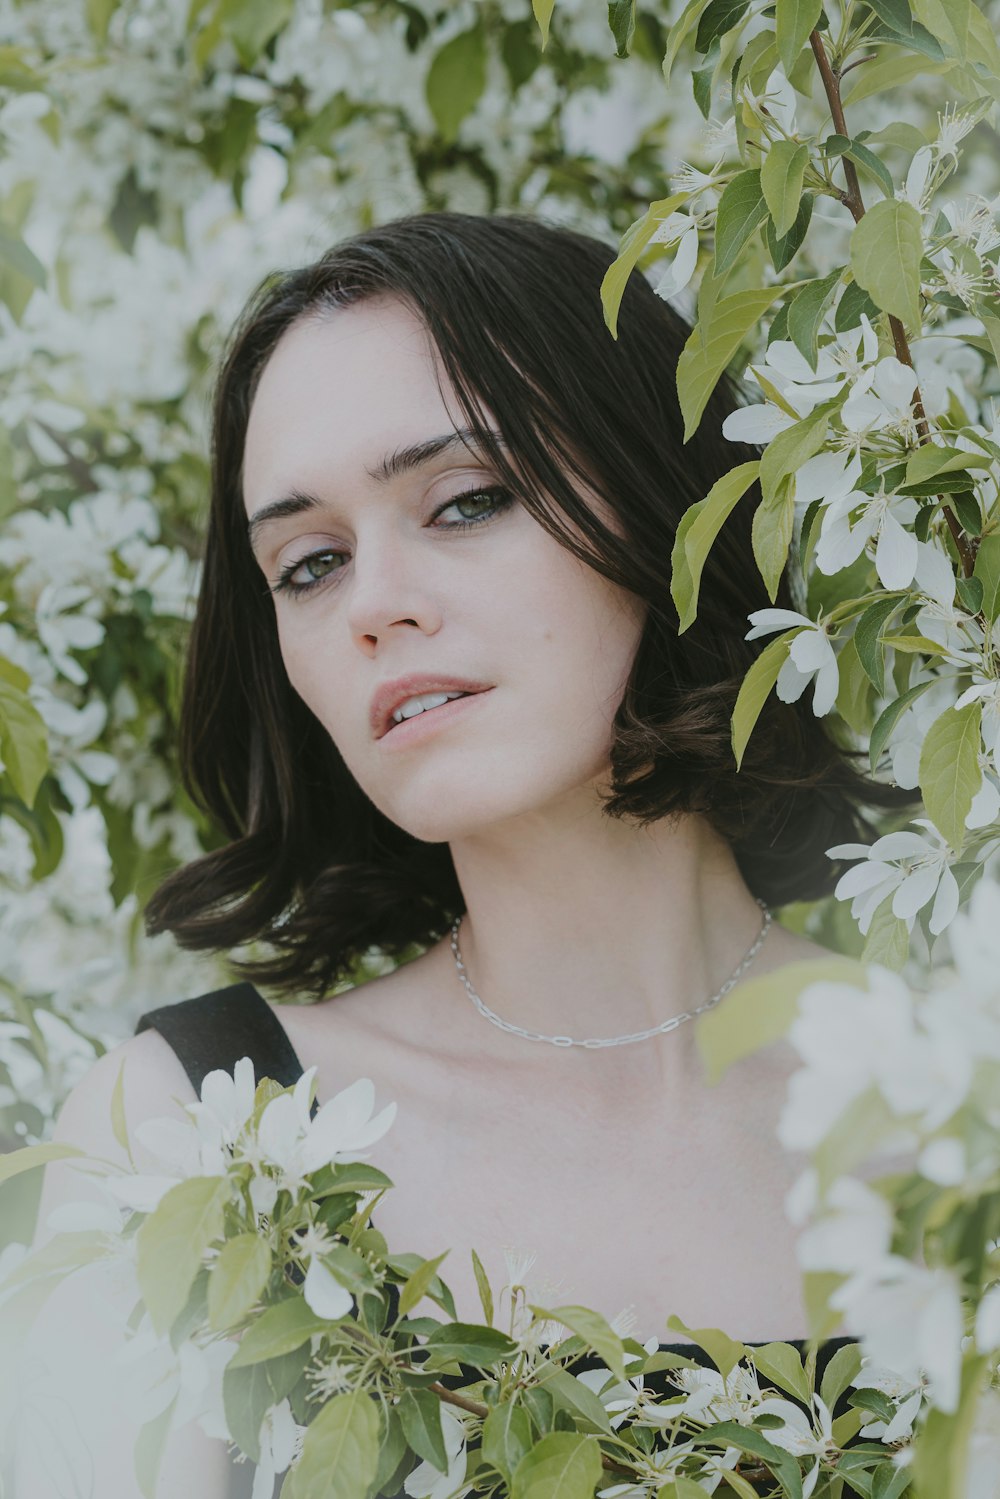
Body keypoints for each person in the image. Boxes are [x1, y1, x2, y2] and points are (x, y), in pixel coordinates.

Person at [28, 211, 917, 1495]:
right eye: (311, 562)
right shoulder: (197, 1133)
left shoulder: (958, 1114)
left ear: (658, 496)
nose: (377, 603)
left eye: (466, 500)